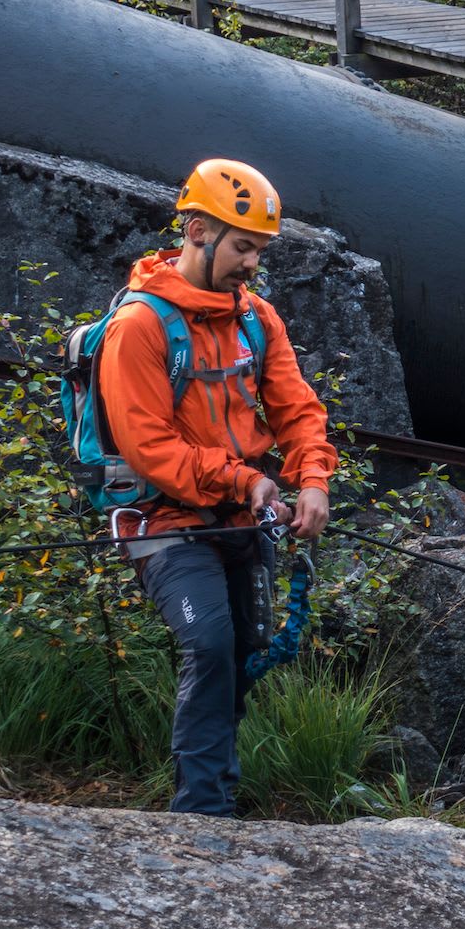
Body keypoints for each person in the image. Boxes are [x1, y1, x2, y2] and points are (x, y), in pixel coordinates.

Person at [96, 159, 336, 815]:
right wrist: (248, 479)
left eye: (259, 249)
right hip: (164, 521)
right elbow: (151, 449)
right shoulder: (139, 328)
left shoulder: (257, 320)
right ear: (197, 230)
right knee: (208, 642)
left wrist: (311, 478)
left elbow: (298, 410)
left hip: (242, 517)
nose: (253, 263)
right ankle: (201, 814)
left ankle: (215, 791)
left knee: (242, 647)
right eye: (242, 246)